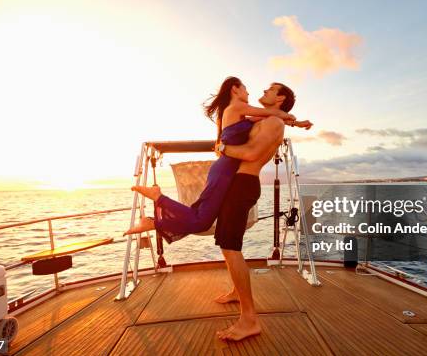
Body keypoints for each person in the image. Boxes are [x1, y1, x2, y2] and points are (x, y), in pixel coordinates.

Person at [124, 77, 311, 241]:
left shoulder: (241, 113)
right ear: (235, 89)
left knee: (202, 219)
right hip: (225, 170)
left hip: (225, 170)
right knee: (201, 220)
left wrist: (295, 123)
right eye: (245, 88)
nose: (249, 92)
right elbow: (275, 114)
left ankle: (152, 222)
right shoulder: (238, 106)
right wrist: (293, 118)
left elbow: (268, 118)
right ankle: (156, 200)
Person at [214, 82, 297, 342]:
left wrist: (223, 149)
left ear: (280, 98)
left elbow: (250, 153)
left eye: (271, 89)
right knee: (226, 243)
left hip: (244, 185)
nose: (264, 90)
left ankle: (249, 319)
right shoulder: (267, 119)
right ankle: (237, 291)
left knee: (230, 246)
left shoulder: (273, 124)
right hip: (238, 183)